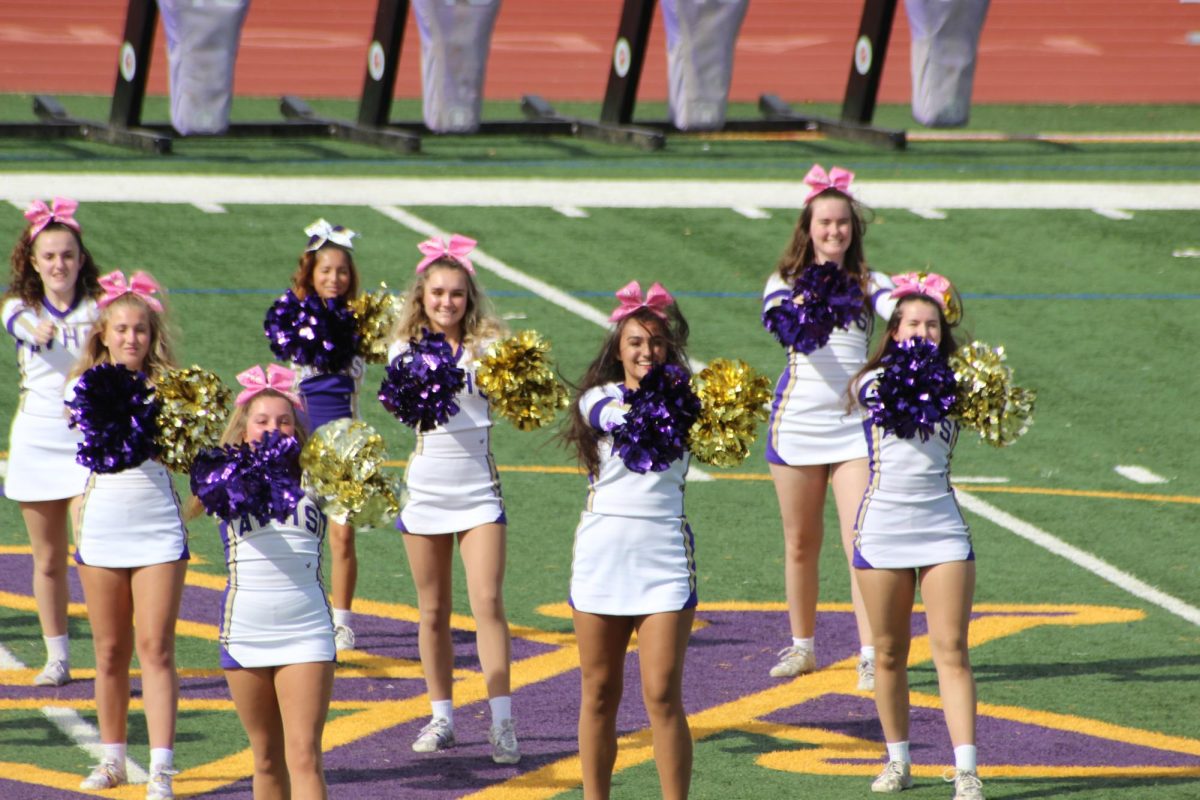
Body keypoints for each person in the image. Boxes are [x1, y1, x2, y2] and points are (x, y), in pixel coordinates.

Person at [849, 274, 984, 800]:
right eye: (912, 324)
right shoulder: (872, 382)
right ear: (895, 330)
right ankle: (898, 761)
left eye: (932, 324)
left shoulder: (959, 383)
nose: (923, 332)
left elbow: (973, 396)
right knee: (888, 653)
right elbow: (895, 390)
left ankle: (967, 770)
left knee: (951, 648)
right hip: (881, 529)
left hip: (941, 528)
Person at [385, 234, 519, 763]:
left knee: (487, 602)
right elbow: (406, 406)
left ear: (470, 297)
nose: (447, 302)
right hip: (426, 489)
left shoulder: (491, 348)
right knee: (433, 610)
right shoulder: (403, 350)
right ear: (422, 296)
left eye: (457, 294)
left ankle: (503, 722)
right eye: (438, 293)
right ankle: (442, 717)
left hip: (480, 489)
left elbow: (518, 398)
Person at [762, 165, 896, 688]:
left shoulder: (870, 283)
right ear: (808, 227)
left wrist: (922, 300)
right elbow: (782, 323)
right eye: (825, 223)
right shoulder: (784, 282)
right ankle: (803, 647)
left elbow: (897, 308)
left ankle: (868, 654)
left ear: (852, 229)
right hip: (797, 425)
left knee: (859, 541)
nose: (834, 231)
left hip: (854, 427)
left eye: (842, 223)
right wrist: (808, 298)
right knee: (800, 543)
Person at [562, 281, 696, 800]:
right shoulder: (601, 397)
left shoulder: (689, 399)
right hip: (602, 556)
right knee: (599, 692)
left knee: (662, 693)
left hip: (663, 554)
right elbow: (613, 418)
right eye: (636, 341)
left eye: (656, 342)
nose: (647, 351)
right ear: (618, 348)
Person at [191, 364, 336, 800]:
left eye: (284, 420)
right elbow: (188, 501)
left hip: (307, 630)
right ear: (244, 427)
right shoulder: (224, 479)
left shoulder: (320, 477)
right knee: (267, 758)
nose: (273, 428)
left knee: (305, 755)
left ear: (297, 429)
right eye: (262, 420)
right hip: (246, 631)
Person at [69, 271, 187, 799]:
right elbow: (76, 462)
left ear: (152, 335)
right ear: (103, 333)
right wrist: (76, 512)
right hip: (103, 528)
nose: (131, 338)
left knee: (155, 647)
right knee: (110, 651)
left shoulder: (172, 391)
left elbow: (192, 460)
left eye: (140, 329)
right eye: (121, 329)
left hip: (158, 528)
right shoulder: (80, 388)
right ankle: (112, 760)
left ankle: (161, 767)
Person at [3, 198, 100, 687]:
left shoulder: (99, 310)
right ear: (33, 262)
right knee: (46, 559)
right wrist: (36, 330)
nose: (59, 264)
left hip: (88, 444)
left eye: (67, 255)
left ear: (81, 259)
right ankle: (57, 657)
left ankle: (107, 653)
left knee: (93, 552)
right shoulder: (21, 308)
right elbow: (16, 324)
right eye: (49, 256)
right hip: (37, 440)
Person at [285, 219, 364, 652]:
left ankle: (342, 620)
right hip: (302, 444)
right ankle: (305, 611)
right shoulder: (294, 321)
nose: (334, 278)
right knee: (301, 534)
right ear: (310, 273)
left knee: (343, 535)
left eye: (342, 271)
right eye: (325, 270)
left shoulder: (360, 324)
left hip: (345, 444)